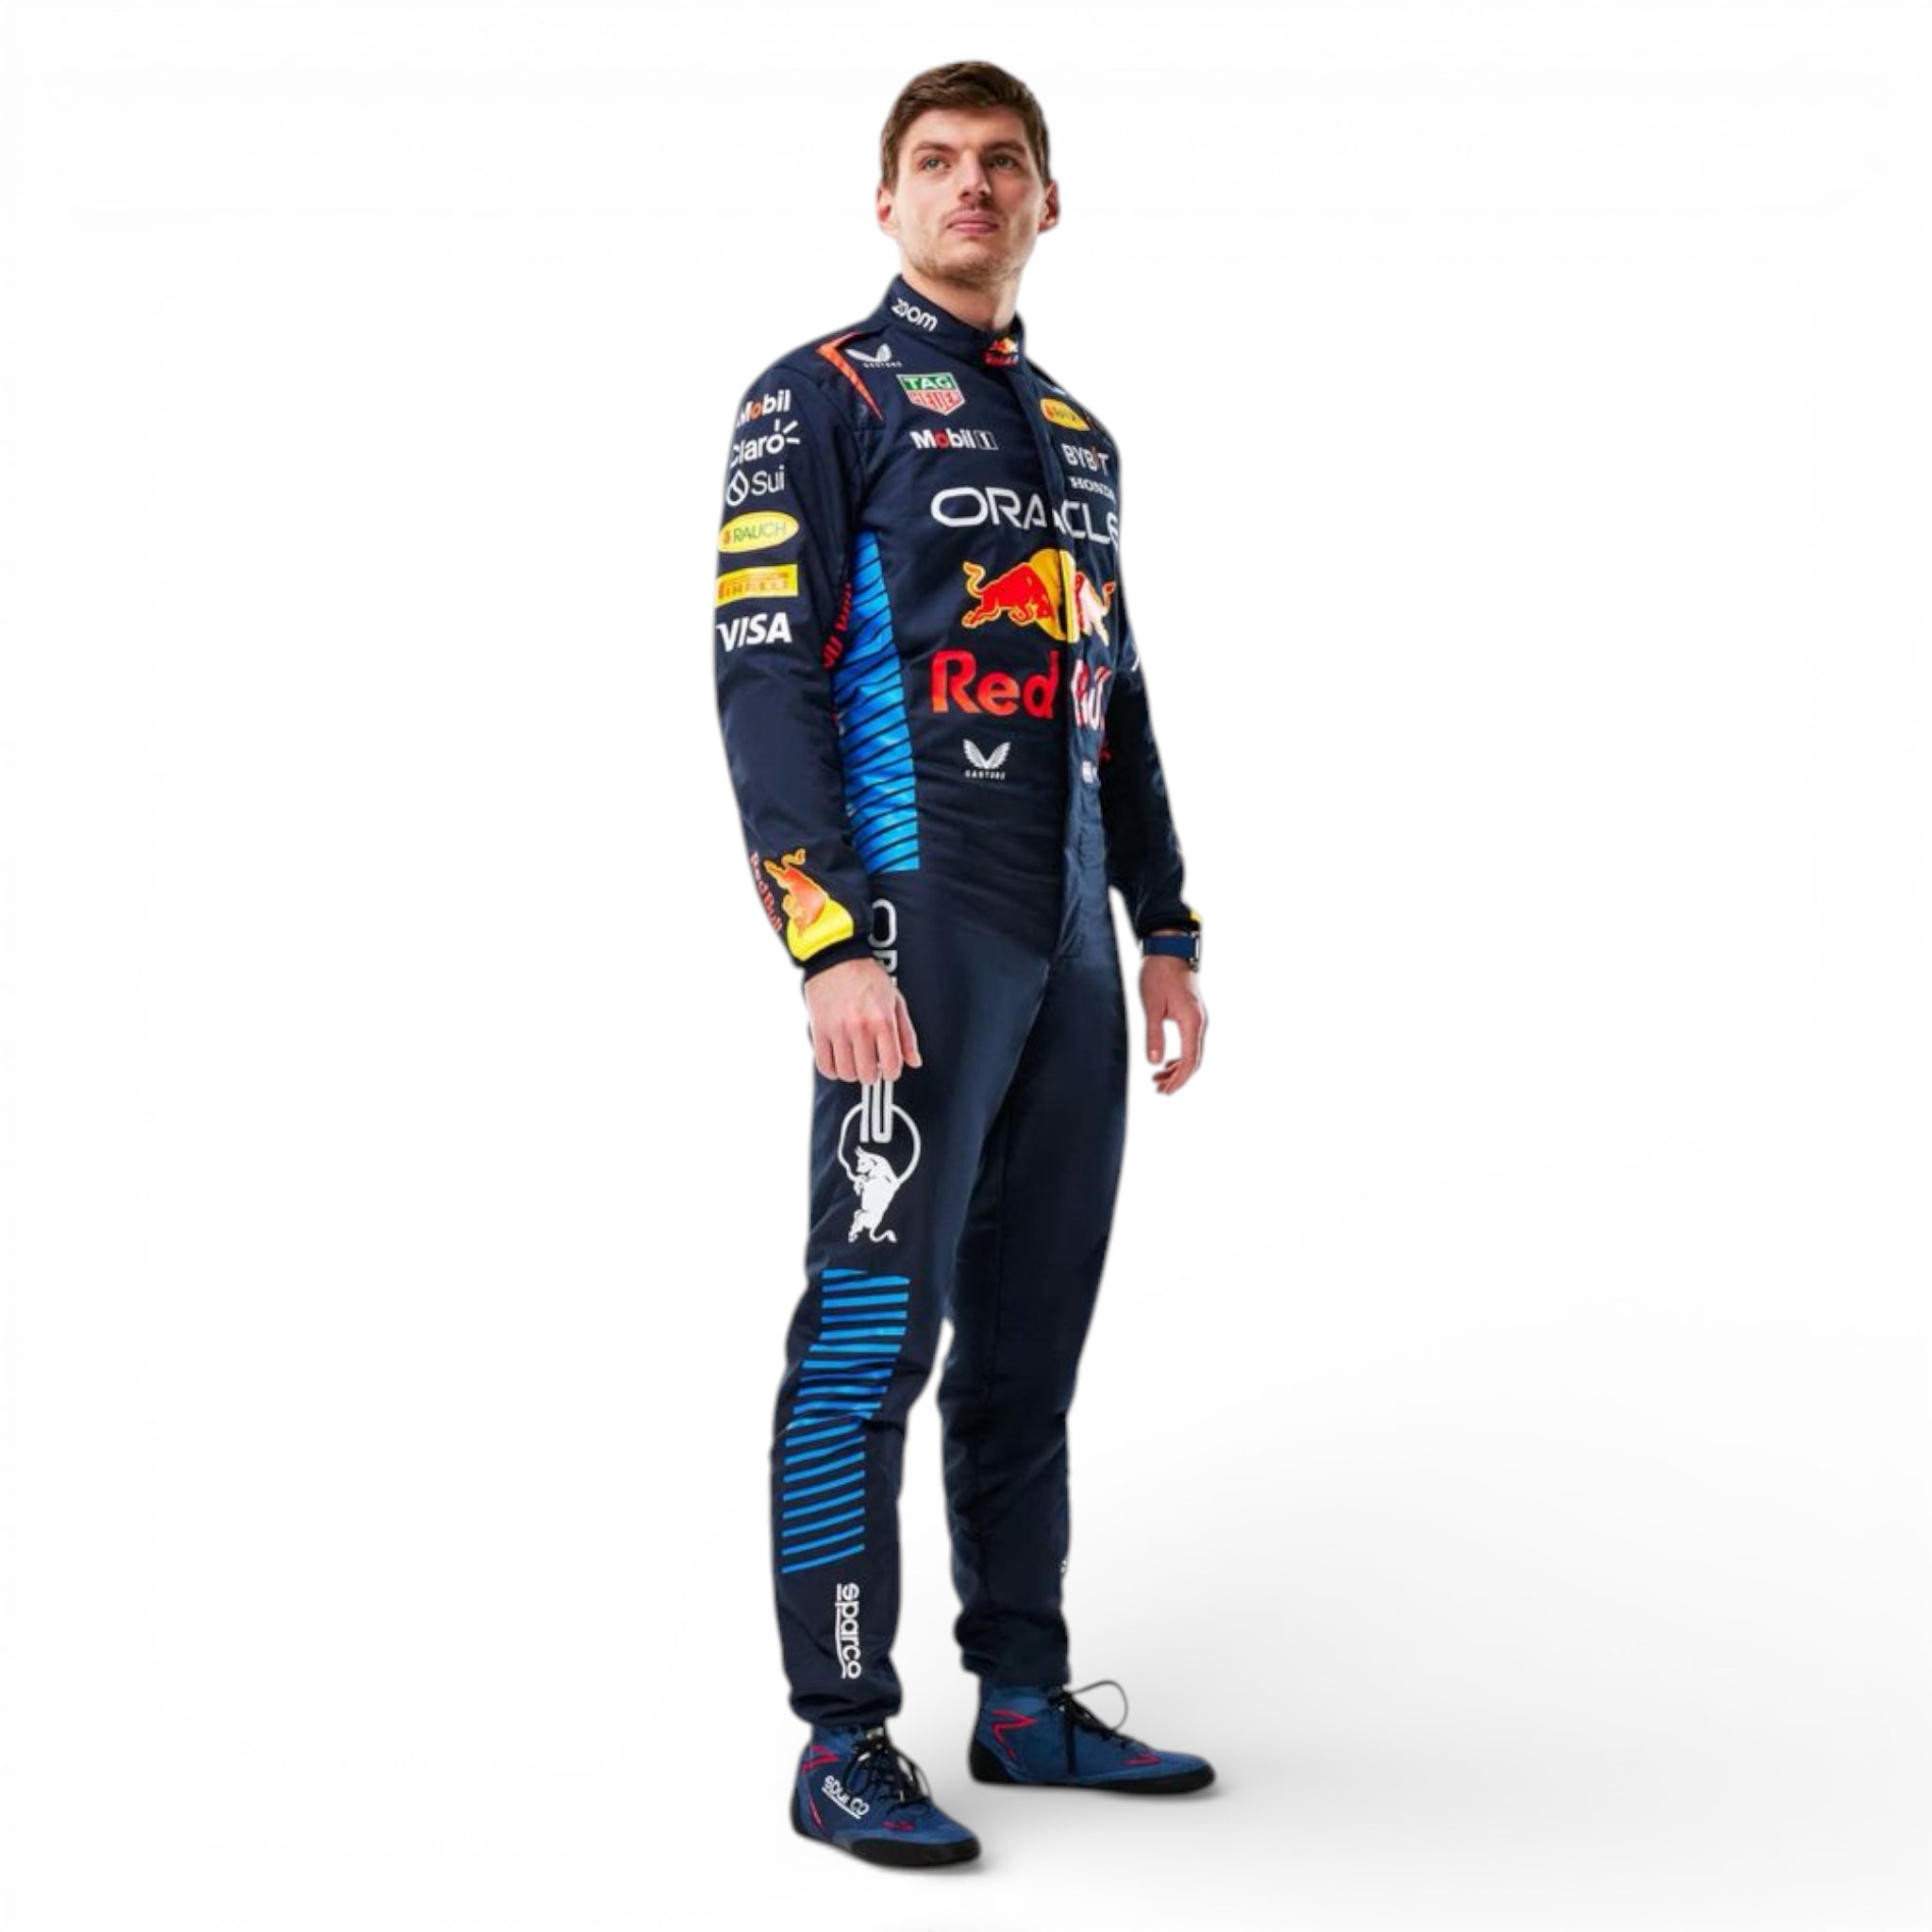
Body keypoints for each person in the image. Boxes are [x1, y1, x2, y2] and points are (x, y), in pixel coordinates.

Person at [711, 60, 1215, 1869]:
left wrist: (1164, 928)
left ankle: (1021, 1697)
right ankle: (841, 1738)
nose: (972, 187)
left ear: (1047, 202)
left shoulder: (1080, 436)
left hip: (1069, 946)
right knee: (871, 1329)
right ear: (889, 201)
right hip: (912, 937)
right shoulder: (820, 397)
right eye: (936, 162)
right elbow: (763, 679)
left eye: (1004, 162)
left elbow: (1115, 699)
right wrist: (824, 937)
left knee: (1028, 1342)